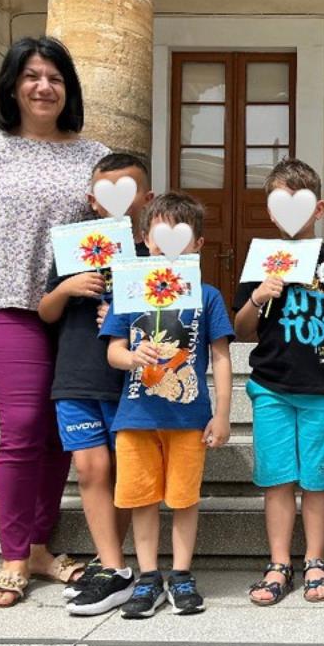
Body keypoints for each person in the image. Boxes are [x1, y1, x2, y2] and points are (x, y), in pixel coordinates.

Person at [0, 36, 109, 608]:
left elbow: (110, 232)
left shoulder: (94, 157)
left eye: (55, 78)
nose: (44, 87)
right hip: (4, 308)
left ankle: (39, 546)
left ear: (69, 89)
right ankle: (13, 557)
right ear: (13, 86)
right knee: (22, 424)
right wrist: (5, 265)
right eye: (33, 76)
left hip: (73, 313)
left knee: (61, 429)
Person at [233, 159, 324, 606]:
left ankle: (315, 559)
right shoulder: (260, 259)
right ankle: (278, 562)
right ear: (271, 212)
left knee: (318, 480)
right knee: (277, 479)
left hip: (321, 388)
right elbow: (242, 328)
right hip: (270, 387)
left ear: (318, 208)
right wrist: (257, 296)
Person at [100, 192, 234, 618]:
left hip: (188, 417)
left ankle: (181, 574)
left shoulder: (208, 296)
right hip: (136, 417)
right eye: (159, 232)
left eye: (180, 232)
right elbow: (113, 351)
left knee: (183, 499)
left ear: (198, 243)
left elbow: (221, 357)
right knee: (141, 500)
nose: (169, 240)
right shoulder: (130, 291)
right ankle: (147, 577)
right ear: (145, 239)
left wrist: (223, 414)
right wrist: (132, 357)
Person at [38, 152, 154, 615]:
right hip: (76, 376)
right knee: (90, 469)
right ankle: (113, 567)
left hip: (130, 381)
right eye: (107, 191)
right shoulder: (72, 251)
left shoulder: (153, 255)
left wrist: (127, 316)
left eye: (129, 189)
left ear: (146, 197)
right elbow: (46, 312)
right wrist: (66, 289)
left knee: (125, 470)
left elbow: (171, 320)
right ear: (92, 200)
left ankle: (111, 568)